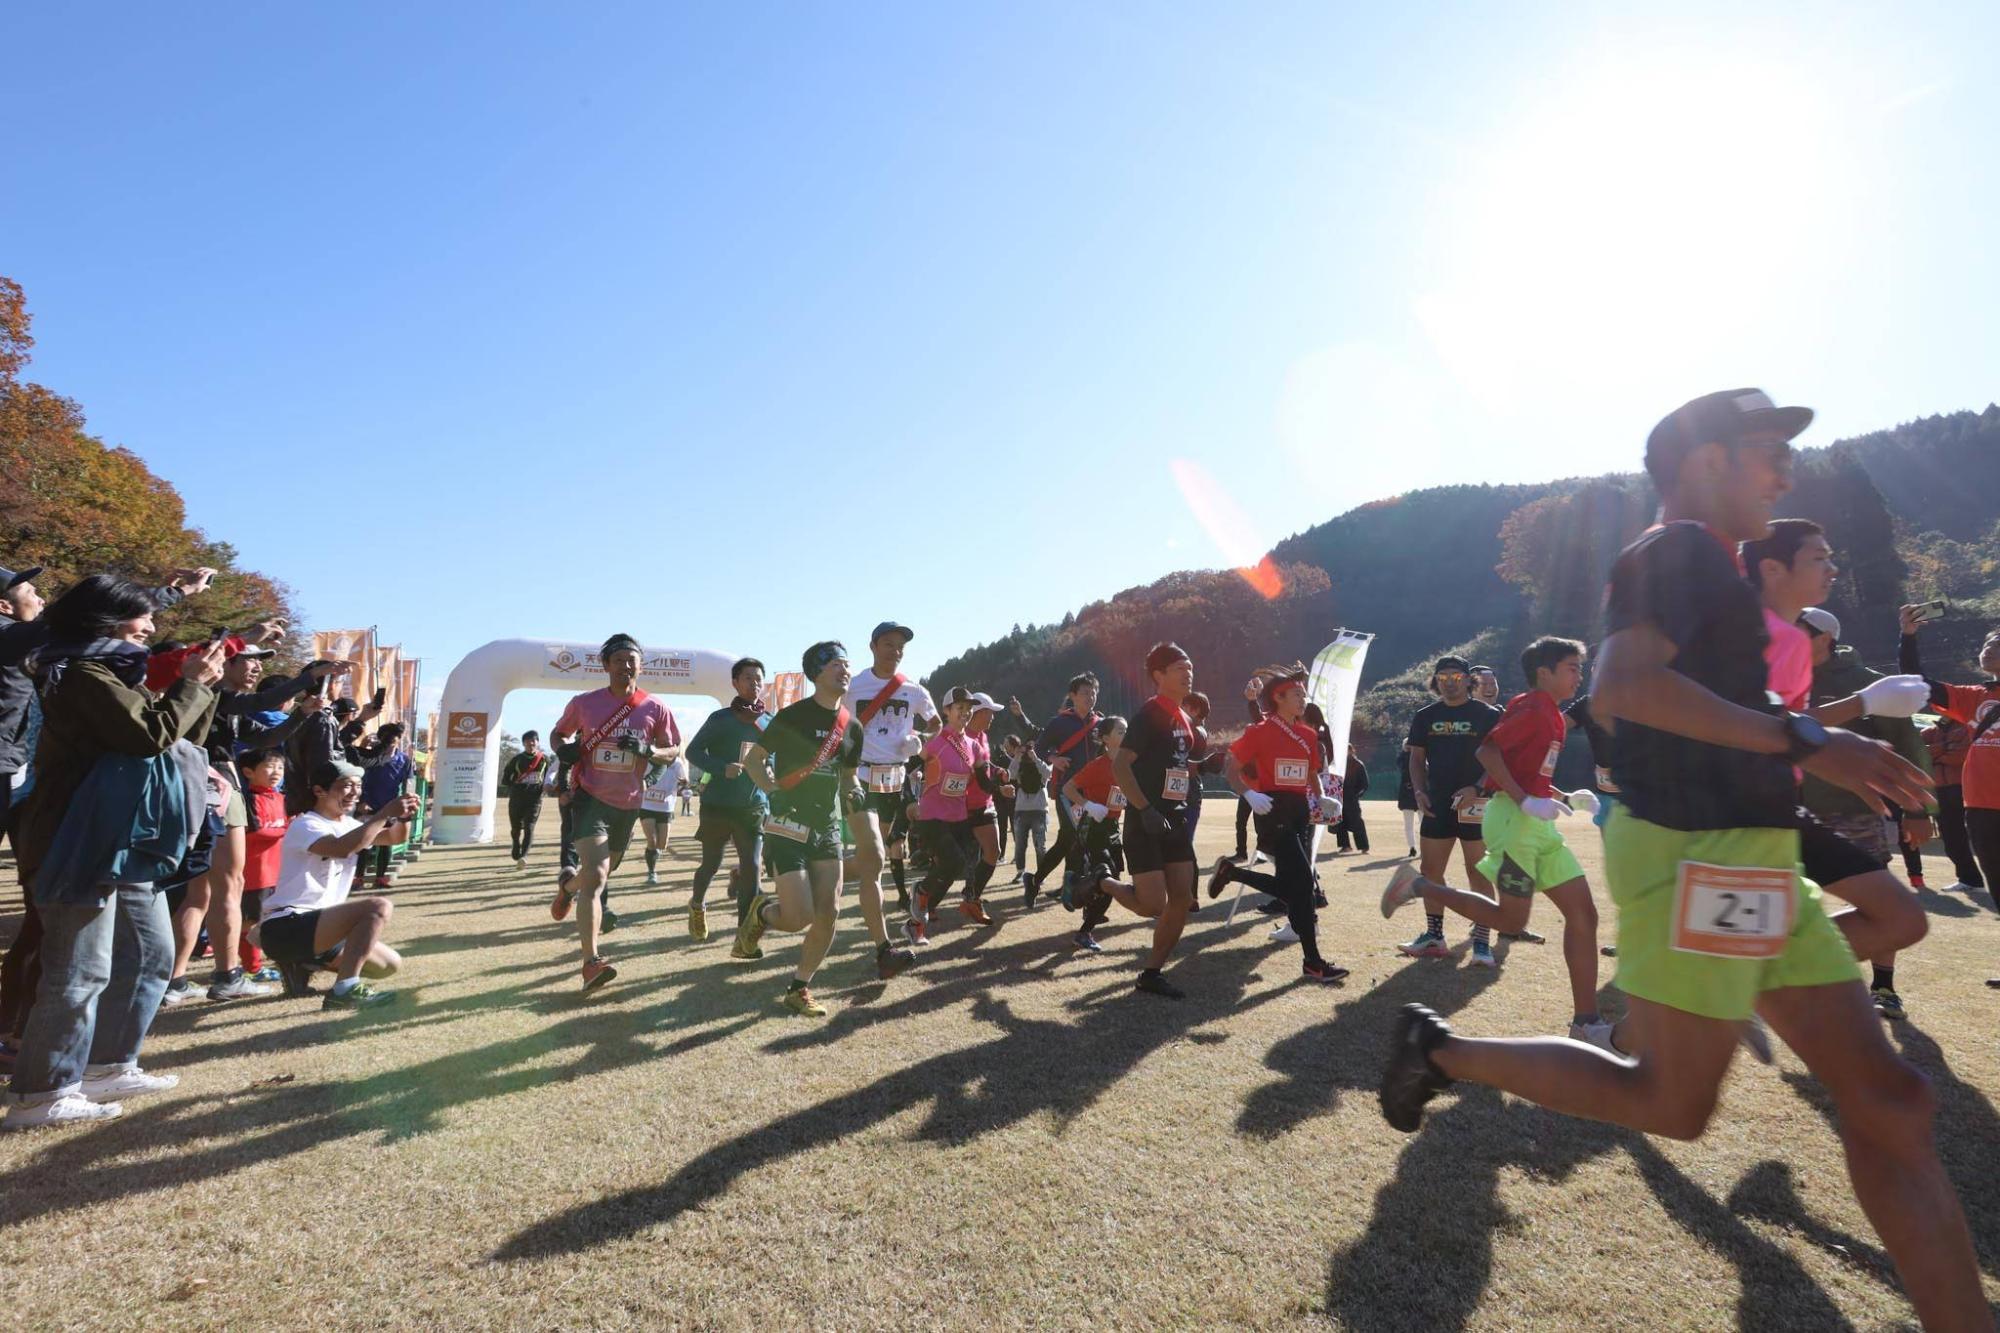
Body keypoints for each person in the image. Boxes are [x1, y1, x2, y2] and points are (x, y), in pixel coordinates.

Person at [1380, 388, 1988, 1332]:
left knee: (1890, 1098)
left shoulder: (1711, 565)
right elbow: (1628, 688)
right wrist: (1807, 739)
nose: (1785, 470)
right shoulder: (1682, 550)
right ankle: (1441, 1048)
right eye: (1764, 451)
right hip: (1704, 862)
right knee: (1673, 1100)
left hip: (1749, 862)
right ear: (1705, 464)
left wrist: (1812, 736)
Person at [5, 575, 222, 1130]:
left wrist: (204, 686)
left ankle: (107, 1065)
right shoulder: (80, 673)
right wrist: (191, 683)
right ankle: (42, 1093)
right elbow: (147, 736)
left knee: (151, 953)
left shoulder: (112, 671)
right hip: (79, 840)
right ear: (104, 622)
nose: (151, 628)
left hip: (124, 840)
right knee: (78, 971)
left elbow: (178, 739)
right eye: (141, 618)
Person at [1381, 638, 1611, 1047]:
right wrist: (1524, 800)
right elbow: (1488, 752)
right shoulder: (1533, 707)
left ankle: (1586, 1022)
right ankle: (1418, 885)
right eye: (1572, 667)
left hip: (1537, 826)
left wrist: (1563, 796)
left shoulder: (1551, 713)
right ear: (1545, 672)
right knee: (1511, 921)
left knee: (1584, 915)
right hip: (1515, 825)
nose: (1580, 674)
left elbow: (1524, 768)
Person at [732, 641, 915, 1014]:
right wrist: (772, 790)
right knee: (798, 917)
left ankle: (799, 987)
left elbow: (848, 779)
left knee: (829, 912)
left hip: (827, 827)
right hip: (787, 823)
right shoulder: (793, 716)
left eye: (847, 665)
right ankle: (762, 911)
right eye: (835, 665)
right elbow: (755, 761)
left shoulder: (852, 727)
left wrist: (858, 803)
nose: (844, 671)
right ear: (816, 673)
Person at [548, 633, 683, 991]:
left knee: (603, 872)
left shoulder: (655, 708)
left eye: (632, 659)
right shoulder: (585, 703)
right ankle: (591, 962)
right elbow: (558, 735)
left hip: (629, 802)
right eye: (619, 659)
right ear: (605, 665)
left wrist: (649, 749)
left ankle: (567, 887)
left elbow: (673, 750)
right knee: (596, 874)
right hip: (590, 797)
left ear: (641, 665)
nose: (626, 665)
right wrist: (565, 751)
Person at [1206, 667, 1351, 983]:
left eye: (1304, 694)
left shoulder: (1308, 734)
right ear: (1278, 697)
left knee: (1293, 887)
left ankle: (1232, 873)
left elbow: (1311, 772)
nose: (1303, 699)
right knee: (1302, 884)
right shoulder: (1259, 731)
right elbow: (1232, 768)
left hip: (1299, 811)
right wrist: (1249, 794)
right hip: (1271, 809)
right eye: (1297, 694)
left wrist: (1322, 797)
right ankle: (1313, 961)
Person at [255, 759, 415, 1009]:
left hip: (319, 925)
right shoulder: (306, 823)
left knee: (388, 965)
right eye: (347, 786)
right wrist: (384, 813)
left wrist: (402, 818)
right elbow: (342, 848)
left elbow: (393, 837)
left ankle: (302, 964)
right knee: (378, 906)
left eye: (358, 786)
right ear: (320, 791)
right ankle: (344, 990)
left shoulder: (348, 824)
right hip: (286, 925)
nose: (355, 792)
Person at [1110, 642, 1203, 997]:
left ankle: (1151, 973)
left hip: (1176, 819)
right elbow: (1121, 764)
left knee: (1181, 898)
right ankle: (1103, 881)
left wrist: (1199, 768)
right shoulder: (1150, 712)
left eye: (1190, 666)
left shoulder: (1184, 717)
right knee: (1152, 904)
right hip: (1146, 819)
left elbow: (1172, 766)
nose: (1188, 672)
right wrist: (1145, 809)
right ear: (1158, 676)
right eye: (1180, 667)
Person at [843, 622, 939, 964]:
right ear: (872, 646)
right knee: (874, 857)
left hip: (896, 781)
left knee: (877, 855)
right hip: (861, 776)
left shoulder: (913, 690)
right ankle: (882, 945)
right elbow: (834, 723)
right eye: (888, 644)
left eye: (900, 646)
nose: (895, 651)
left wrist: (919, 742)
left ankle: (823, 873)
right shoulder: (854, 687)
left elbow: (936, 723)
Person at [1400, 655, 1502, 965]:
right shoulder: (1425, 716)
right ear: (1435, 679)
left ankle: (1482, 941)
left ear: (1469, 680)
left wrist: (1478, 788)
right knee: (1431, 872)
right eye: (1442, 675)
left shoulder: (1488, 714)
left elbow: (1501, 758)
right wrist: (1419, 790)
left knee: (1478, 871)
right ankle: (1434, 936)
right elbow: (1416, 759)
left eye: (1456, 676)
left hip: (1477, 803)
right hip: (1437, 802)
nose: (1448, 681)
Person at [682, 658, 769, 936]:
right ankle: (697, 905)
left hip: (753, 806)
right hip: (718, 805)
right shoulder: (720, 719)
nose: (754, 684)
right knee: (711, 863)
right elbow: (692, 752)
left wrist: (769, 769)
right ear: (735, 683)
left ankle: (745, 931)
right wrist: (722, 768)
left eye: (758, 679)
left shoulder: (769, 721)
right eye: (747, 678)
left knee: (753, 866)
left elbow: (776, 759)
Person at [906, 686, 985, 942]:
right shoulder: (935, 741)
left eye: (969, 709)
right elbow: (908, 766)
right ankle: (921, 890)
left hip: (958, 816)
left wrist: (1001, 785)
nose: (966, 713)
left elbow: (983, 781)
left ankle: (915, 923)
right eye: (960, 708)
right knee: (951, 863)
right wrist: (909, 800)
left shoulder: (973, 745)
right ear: (947, 711)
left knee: (954, 869)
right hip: (931, 816)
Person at [1023, 674, 1103, 907]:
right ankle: (1076, 893)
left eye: (1094, 692)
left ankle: (1037, 881)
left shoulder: (1100, 722)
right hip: (1068, 791)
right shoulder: (1059, 722)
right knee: (1075, 837)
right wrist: (1054, 759)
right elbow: (1038, 747)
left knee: (1069, 840)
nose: (1091, 697)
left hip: (1093, 793)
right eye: (1085, 692)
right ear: (1073, 695)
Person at [959, 692, 1016, 919]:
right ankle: (925, 897)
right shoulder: (962, 737)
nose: (993, 717)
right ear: (978, 712)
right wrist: (999, 788)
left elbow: (984, 764)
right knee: (961, 861)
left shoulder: (982, 736)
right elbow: (975, 773)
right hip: (963, 807)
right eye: (990, 712)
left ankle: (972, 897)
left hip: (984, 803)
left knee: (992, 851)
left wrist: (997, 769)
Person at [237, 748, 289, 986]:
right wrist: (286, 830)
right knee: (251, 922)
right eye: (269, 766)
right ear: (249, 772)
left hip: (276, 871)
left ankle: (265, 962)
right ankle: (251, 968)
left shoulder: (279, 797)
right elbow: (255, 831)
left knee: (272, 919)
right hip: (255, 873)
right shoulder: (248, 799)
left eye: (279, 766)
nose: (276, 771)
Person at [1921, 713, 1982, 893]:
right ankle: (1969, 879)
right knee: (1950, 837)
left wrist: (1934, 754)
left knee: (1982, 835)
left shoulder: (1967, 727)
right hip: (1940, 789)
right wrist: (1945, 749)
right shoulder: (1930, 730)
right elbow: (1918, 753)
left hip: (1966, 787)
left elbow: (1961, 755)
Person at [356, 723, 413, 890]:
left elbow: (409, 783)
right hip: (367, 805)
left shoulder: (404, 760)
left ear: (398, 741)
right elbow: (357, 777)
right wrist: (360, 801)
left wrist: (407, 803)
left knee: (386, 842)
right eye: (387, 741)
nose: (390, 745)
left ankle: (381, 877)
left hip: (391, 806)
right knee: (363, 842)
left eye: (393, 742)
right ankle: (358, 877)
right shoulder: (369, 756)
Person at [501, 731, 556, 868]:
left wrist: (545, 788)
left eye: (533, 740)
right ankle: (515, 843)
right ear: (523, 743)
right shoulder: (517, 759)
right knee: (516, 827)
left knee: (530, 827)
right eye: (527, 741)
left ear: (537, 742)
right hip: (517, 797)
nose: (531, 743)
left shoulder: (544, 759)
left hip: (535, 799)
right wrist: (516, 786)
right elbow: (506, 778)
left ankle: (524, 856)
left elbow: (550, 776)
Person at [1006, 735, 1051, 886]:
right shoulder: (1020, 765)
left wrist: (1036, 758)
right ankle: (1020, 872)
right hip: (1021, 810)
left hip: (1039, 810)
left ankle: (1041, 874)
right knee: (1020, 844)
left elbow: (1048, 774)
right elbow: (1010, 774)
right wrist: (1017, 757)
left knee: (1040, 845)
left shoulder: (1041, 763)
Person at [639, 751, 689, 885]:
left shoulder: (678, 763)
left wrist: (683, 783)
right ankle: (652, 872)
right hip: (646, 804)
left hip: (666, 807)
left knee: (662, 844)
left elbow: (684, 780)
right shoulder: (648, 758)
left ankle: (652, 855)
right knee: (652, 840)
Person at [1335, 749, 1370, 854]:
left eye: (1347, 750)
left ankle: (1364, 846)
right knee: (1339, 822)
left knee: (1357, 822)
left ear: (1351, 751)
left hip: (1352, 799)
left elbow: (1365, 783)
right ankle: (1345, 846)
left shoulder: (1358, 765)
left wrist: (1356, 794)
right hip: (1339, 798)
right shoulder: (1338, 764)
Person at [1395, 739, 1418, 857]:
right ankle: (1413, 847)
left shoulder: (1421, 757)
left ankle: (1416, 847)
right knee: (1410, 823)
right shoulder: (1402, 758)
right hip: (1411, 793)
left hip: (1417, 793)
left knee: (1418, 822)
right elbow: (1401, 764)